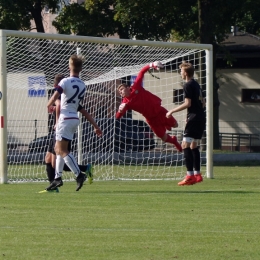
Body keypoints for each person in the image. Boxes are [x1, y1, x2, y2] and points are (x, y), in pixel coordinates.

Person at [46, 54, 96, 191]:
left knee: (61, 150)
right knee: (59, 149)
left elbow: (56, 96)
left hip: (65, 118)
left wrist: (48, 104)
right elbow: (77, 103)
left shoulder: (65, 82)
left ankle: (79, 174)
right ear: (80, 69)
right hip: (74, 118)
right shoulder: (83, 85)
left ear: (69, 67)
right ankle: (57, 178)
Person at [116, 61, 182, 152]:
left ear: (127, 88)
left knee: (176, 125)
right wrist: (120, 111)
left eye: (121, 89)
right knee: (163, 138)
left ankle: (168, 126)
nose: (120, 92)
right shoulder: (125, 103)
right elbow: (117, 117)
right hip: (151, 119)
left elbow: (142, 72)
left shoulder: (136, 87)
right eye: (119, 92)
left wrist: (152, 65)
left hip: (160, 111)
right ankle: (174, 141)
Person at [166, 61, 206, 186]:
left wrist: (172, 110)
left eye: (181, 71)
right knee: (194, 145)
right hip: (200, 117)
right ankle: (197, 174)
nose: (180, 73)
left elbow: (188, 103)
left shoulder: (188, 85)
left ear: (185, 72)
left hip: (194, 118)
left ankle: (189, 176)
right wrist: (193, 115)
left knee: (185, 145)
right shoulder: (197, 84)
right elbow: (203, 102)